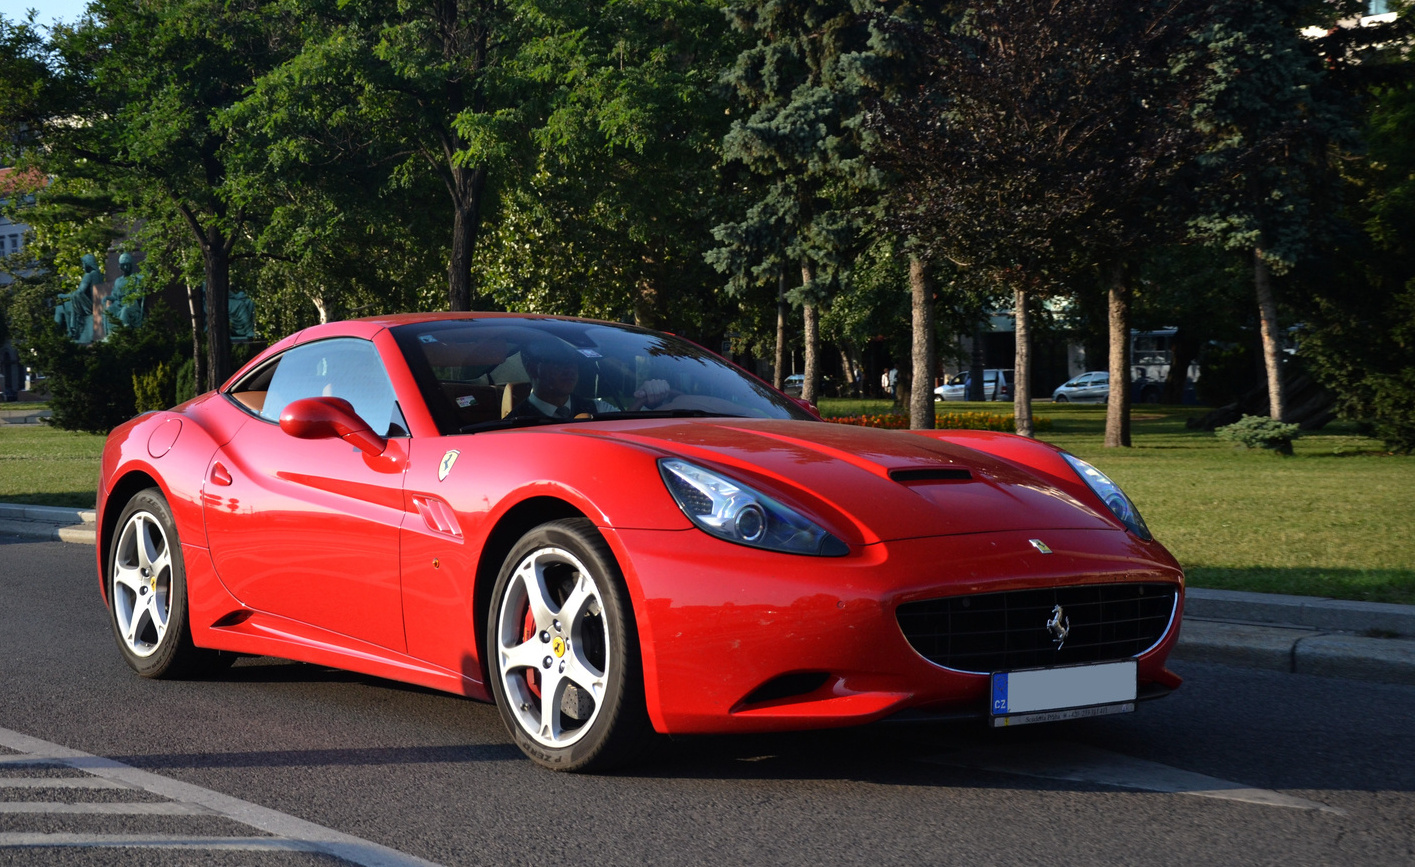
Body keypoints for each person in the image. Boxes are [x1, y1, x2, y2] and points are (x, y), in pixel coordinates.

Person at [507, 339, 669, 420]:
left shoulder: (596, 407)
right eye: (558, 362)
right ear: (533, 368)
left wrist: (648, 399)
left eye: (574, 361)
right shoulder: (515, 423)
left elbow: (626, 425)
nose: (570, 369)